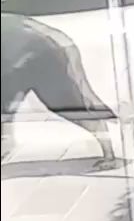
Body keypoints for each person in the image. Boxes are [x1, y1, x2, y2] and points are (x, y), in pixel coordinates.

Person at [2, 10, 116, 165]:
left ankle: (108, 152)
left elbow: (61, 41)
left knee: (65, 105)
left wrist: (83, 86)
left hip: (39, 57)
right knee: (66, 105)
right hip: (30, 56)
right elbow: (59, 38)